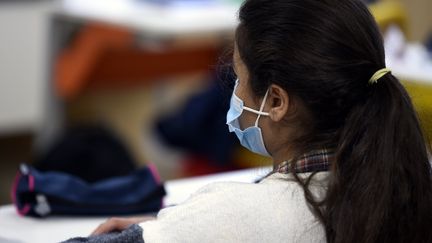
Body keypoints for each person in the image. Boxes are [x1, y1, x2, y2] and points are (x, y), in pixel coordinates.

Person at [89, 0, 432, 242]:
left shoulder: (231, 215)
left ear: (277, 102)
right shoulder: (405, 189)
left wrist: (180, 228)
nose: (235, 94)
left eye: (238, 78)